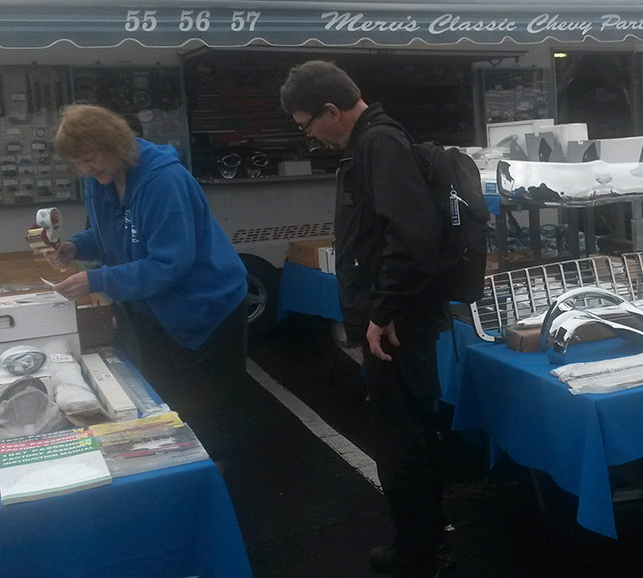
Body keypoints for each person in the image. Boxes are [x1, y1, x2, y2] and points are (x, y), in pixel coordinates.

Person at [279, 61, 448, 577]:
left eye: (307, 124)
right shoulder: (372, 143)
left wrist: (382, 312)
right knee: (407, 434)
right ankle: (424, 539)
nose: (309, 135)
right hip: (394, 320)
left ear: (331, 111)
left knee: (402, 440)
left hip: (395, 327)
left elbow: (412, 237)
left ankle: (417, 552)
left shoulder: (379, 144)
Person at [46, 103, 248, 468]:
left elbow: (169, 264)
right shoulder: (101, 180)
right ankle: (179, 464)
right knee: (165, 395)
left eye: (90, 159)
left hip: (205, 305)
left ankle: (217, 476)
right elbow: (111, 234)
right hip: (155, 307)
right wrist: (76, 247)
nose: (86, 170)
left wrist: (98, 279)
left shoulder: (163, 181)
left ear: (114, 144)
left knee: (210, 410)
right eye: (78, 164)